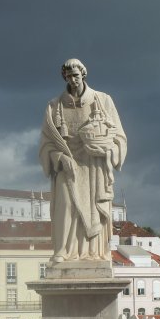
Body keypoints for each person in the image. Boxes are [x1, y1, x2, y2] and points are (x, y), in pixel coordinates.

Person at [39, 59, 127, 263]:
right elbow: (46, 143)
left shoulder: (103, 101)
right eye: (68, 76)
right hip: (67, 165)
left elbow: (119, 137)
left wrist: (108, 151)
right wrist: (59, 157)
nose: (72, 80)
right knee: (66, 207)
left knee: (94, 208)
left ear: (83, 75)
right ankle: (63, 250)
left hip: (94, 166)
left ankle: (94, 253)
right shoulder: (54, 106)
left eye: (75, 75)